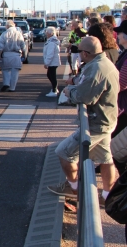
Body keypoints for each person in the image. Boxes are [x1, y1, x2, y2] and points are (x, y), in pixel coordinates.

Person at [48, 37, 118, 204]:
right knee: (106, 158)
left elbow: (85, 97)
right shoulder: (105, 63)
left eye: (80, 52)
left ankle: (74, 189)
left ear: (86, 53)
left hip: (96, 123)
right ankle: (108, 195)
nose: (79, 55)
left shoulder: (97, 69)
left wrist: (68, 91)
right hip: (106, 119)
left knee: (63, 152)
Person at [110, 21, 127, 175]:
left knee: (117, 147)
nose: (117, 36)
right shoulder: (124, 53)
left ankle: (121, 184)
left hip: (124, 108)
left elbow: (122, 83)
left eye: (120, 33)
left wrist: (108, 90)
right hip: (122, 105)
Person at [0, 20, 27, 92]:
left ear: (7, 26)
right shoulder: (18, 34)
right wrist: (23, 54)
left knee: (5, 70)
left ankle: (6, 83)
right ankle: (12, 88)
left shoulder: (4, 34)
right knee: (15, 72)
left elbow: (0, 46)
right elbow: (23, 45)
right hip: (16, 55)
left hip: (6, 55)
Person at [43, 26, 61, 97]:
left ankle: (54, 90)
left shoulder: (51, 42)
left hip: (53, 62)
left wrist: (46, 63)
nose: (46, 34)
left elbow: (50, 54)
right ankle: (55, 88)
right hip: (53, 62)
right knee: (50, 75)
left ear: (51, 33)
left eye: (47, 32)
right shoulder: (52, 41)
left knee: (52, 76)